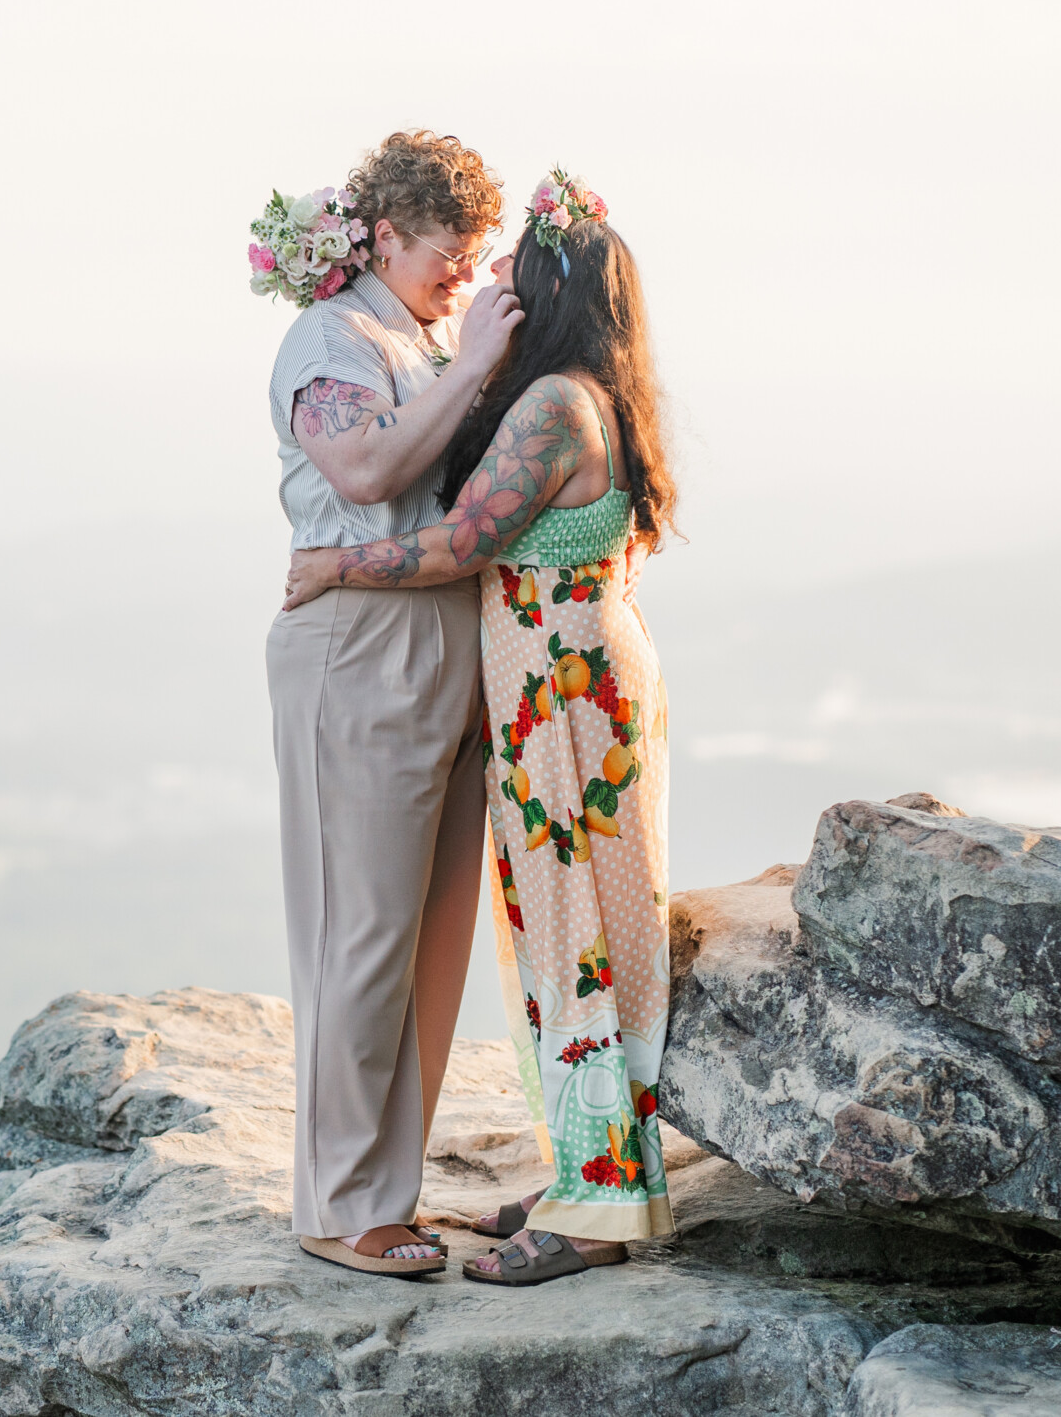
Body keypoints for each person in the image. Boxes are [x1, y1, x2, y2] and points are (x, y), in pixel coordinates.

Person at [281, 178, 678, 1287]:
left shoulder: (553, 403)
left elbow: (460, 543)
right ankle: (585, 1170)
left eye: (511, 270)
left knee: (577, 933)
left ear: (547, 295)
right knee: (562, 930)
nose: (490, 279)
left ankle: (602, 1203)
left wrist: (333, 564)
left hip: (565, 699)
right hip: (565, 691)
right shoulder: (587, 388)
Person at [263, 131, 520, 1279]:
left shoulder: (419, 337)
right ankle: (340, 1203)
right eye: (443, 253)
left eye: (473, 256)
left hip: (448, 639)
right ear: (380, 235)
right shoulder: (332, 340)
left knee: (432, 934)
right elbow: (362, 476)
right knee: (358, 930)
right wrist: (470, 368)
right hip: (356, 647)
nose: (458, 274)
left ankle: (392, 1187)